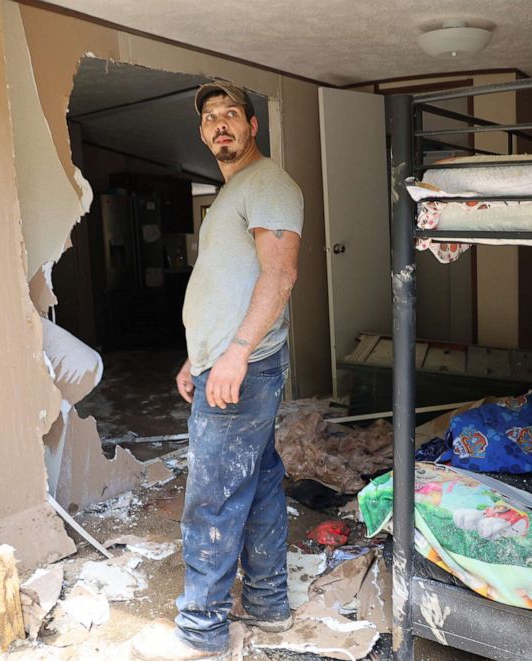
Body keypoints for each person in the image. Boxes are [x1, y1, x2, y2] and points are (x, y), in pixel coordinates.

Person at [133, 81, 303, 661]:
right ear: (203, 132)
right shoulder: (233, 192)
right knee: (254, 485)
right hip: (225, 359)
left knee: (211, 496)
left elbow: (279, 278)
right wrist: (197, 354)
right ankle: (266, 603)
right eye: (211, 117)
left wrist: (232, 354)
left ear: (253, 126)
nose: (220, 124)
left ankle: (201, 630)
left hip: (244, 365)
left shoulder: (269, 184)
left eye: (232, 114)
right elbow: (227, 282)